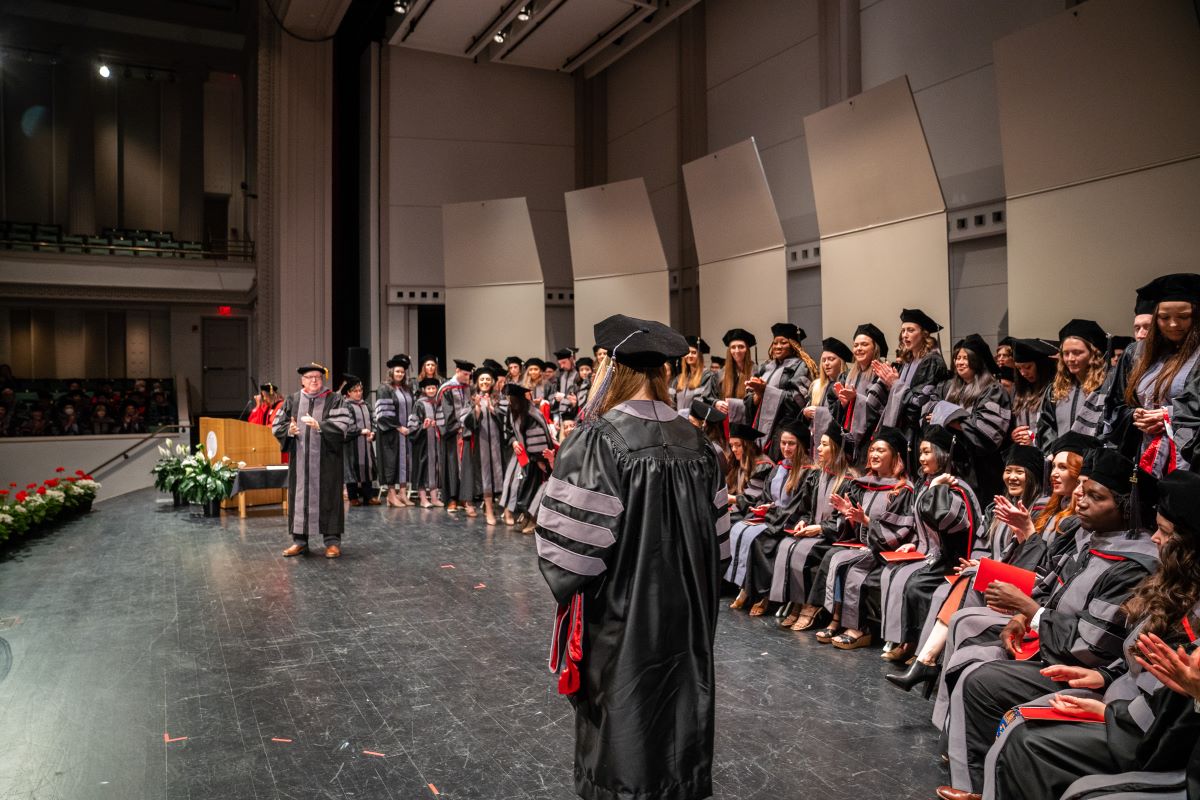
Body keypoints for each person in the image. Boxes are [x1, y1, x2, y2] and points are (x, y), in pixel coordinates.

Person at [535, 313, 726, 800]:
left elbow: (566, 553)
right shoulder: (701, 444)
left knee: (627, 717)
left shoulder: (598, 439)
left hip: (624, 618)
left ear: (611, 368)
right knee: (681, 706)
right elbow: (719, 545)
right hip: (689, 620)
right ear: (663, 371)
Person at [937, 449, 1159, 797]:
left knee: (979, 678)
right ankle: (965, 765)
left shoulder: (1134, 564)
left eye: (1095, 497)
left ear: (1127, 509)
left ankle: (978, 784)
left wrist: (1029, 609)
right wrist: (1024, 617)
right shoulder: (1093, 541)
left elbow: (1089, 648)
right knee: (969, 650)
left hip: (1081, 667)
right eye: (1082, 491)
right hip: (1057, 647)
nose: (1080, 501)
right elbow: (1049, 587)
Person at [978, 468, 1200, 800]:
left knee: (1028, 739)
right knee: (991, 683)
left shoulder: (1181, 605)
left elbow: (1169, 701)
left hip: (1140, 729)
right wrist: (1102, 676)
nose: (1155, 538)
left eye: (1164, 533)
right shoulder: (1173, 587)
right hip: (1116, 696)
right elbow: (1139, 660)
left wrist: (1110, 712)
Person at [886, 444, 1046, 695]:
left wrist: (990, 564)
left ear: (1034, 475)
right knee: (953, 582)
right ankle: (925, 662)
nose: (1012, 477)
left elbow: (1036, 561)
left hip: (1023, 587)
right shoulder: (999, 507)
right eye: (1008, 471)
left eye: (1020, 472)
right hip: (998, 577)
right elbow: (985, 546)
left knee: (956, 587)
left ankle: (925, 663)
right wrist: (979, 563)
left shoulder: (1042, 513)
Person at [878, 425, 983, 665]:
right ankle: (906, 642)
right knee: (900, 576)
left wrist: (936, 489)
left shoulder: (957, 488)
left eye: (927, 452)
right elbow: (922, 527)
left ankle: (921, 650)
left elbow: (942, 519)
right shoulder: (928, 484)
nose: (921, 458)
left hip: (957, 561)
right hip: (935, 555)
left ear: (943, 454)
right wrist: (915, 544)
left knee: (917, 584)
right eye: (921, 452)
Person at [815, 426, 916, 650]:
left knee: (852, 569)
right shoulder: (863, 484)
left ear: (896, 457)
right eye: (872, 450)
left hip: (886, 551)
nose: (874, 455)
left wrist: (867, 522)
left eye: (881, 450)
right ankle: (836, 619)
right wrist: (848, 514)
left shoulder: (902, 490)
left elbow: (899, 532)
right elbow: (853, 526)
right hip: (865, 545)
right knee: (835, 559)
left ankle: (859, 628)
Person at [1106, 273, 1200, 473]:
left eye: (1183, 317)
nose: (1173, 324)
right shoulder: (1141, 354)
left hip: (1190, 462)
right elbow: (1117, 405)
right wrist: (1136, 415)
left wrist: (1169, 417)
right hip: (1146, 454)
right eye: (1164, 317)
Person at [772, 417, 856, 631]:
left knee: (803, 551)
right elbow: (806, 510)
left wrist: (820, 528)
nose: (818, 448)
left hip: (834, 537)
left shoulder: (850, 481)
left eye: (824, 445)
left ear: (836, 449)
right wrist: (802, 522)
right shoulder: (816, 476)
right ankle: (796, 602)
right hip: (814, 532)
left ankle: (810, 606)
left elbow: (847, 518)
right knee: (786, 545)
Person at [726, 420, 808, 615]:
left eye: (791, 444)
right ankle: (744, 588)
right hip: (773, 517)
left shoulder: (807, 473)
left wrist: (769, 513)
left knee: (758, 539)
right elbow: (766, 497)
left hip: (788, 522)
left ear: (802, 445)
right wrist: (764, 507)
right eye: (783, 443)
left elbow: (798, 507)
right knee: (739, 529)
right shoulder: (779, 468)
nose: (786, 448)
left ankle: (763, 595)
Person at [273, 363, 353, 558]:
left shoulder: (334, 399)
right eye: (309, 377)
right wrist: (289, 431)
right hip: (300, 462)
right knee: (300, 499)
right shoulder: (293, 400)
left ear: (322, 379)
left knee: (329, 498)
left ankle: (332, 542)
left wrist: (320, 426)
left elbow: (343, 425)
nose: (314, 380)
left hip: (327, 461)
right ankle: (300, 541)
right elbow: (277, 425)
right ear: (302, 381)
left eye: (317, 376)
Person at [925, 334, 1012, 499]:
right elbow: (930, 410)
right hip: (953, 463)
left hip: (982, 469)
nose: (960, 362)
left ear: (977, 361)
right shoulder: (949, 388)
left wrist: (951, 419)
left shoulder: (993, 390)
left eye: (965, 358)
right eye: (958, 358)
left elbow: (988, 432)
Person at [872, 308, 950, 471]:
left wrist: (895, 384)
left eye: (910, 330)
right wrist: (890, 384)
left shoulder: (931, 362)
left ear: (924, 334)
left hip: (918, 434)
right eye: (903, 331)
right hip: (903, 431)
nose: (905, 335)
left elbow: (918, 404)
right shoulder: (908, 361)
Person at [744, 322, 817, 459]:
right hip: (759, 426)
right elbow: (748, 400)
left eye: (783, 343)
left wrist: (766, 390)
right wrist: (758, 395)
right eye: (775, 343)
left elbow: (798, 401)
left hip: (783, 428)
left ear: (793, 345)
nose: (778, 346)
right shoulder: (766, 366)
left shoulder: (799, 366)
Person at [1035, 319, 1109, 451]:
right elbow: (1046, 429)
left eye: (1077, 352)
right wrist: (1055, 453)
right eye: (1066, 353)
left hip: (1091, 463)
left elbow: (1109, 431)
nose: (1070, 359)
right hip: (1059, 462)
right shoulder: (1055, 389)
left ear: (1094, 354)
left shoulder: (1106, 388)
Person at [831, 322, 890, 468]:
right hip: (849, 440)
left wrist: (855, 399)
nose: (858, 349)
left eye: (864, 344)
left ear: (874, 348)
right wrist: (844, 403)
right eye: (856, 345)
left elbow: (880, 409)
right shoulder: (849, 375)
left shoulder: (882, 373)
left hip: (871, 439)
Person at [504, 381, 556, 533]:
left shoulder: (531, 414)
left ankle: (534, 520)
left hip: (537, 460)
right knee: (525, 489)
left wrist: (540, 461)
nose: (508, 401)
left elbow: (538, 441)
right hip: (528, 460)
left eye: (510, 398)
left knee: (533, 490)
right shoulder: (517, 411)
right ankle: (526, 517)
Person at [437, 359, 477, 516]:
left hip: (464, 432)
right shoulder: (446, 388)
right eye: (465, 374)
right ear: (457, 371)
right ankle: (451, 498)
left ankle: (462, 496)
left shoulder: (467, 388)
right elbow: (445, 412)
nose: (467, 377)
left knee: (464, 465)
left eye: (469, 375)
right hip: (451, 433)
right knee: (452, 464)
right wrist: (457, 427)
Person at [375, 355, 415, 507]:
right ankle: (391, 495)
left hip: (406, 432)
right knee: (391, 463)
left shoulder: (406, 389)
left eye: (402, 372)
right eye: (397, 371)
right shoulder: (384, 388)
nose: (400, 374)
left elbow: (412, 409)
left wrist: (410, 426)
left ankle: (403, 494)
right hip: (390, 434)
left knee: (405, 461)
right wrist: (399, 427)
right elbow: (383, 414)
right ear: (391, 372)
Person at [470, 366, 506, 525]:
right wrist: (477, 408)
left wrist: (493, 409)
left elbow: (506, 419)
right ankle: (489, 510)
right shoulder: (472, 398)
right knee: (485, 475)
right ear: (478, 382)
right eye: (482, 379)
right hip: (481, 443)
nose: (485, 382)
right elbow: (467, 422)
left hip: (499, 444)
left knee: (502, 474)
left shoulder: (499, 398)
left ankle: (506, 511)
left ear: (492, 382)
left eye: (487, 379)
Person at [1008, 339, 1057, 448]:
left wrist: (1034, 439)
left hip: (1046, 452)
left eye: (1028, 367)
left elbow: (1056, 428)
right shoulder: (1018, 389)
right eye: (1019, 368)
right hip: (1022, 453)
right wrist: (1014, 435)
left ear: (1041, 365)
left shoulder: (1053, 389)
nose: (1023, 373)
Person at [340, 375, 378, 506]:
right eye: (355, 391)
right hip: (352, 444)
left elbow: (374, 420)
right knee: (352, 469)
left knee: (367, 468)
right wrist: (360, 431)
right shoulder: (345, 406)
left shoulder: (366, 405)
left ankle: (369, 496)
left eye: (360, 390)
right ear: (348, 393)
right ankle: (353, 497)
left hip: (366, 443)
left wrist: (373, 432)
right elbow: (346, 424)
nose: (358, 393)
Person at [726, 421, 774, 522]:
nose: (734, 449)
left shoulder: (762, 465)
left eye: (738, 445)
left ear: (748, 446)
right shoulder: (738, 462)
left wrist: (732, 499)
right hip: (741, 510)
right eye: (731, 445)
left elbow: (754, 499)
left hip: (755, 513)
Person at [409, 377, 442, 507]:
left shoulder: (438, 403)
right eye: (428, 388)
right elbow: (412, 424)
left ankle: (434, 498)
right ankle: (423, 499)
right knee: (422, 468)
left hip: (435, 443)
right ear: (424, 389)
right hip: (422, 442)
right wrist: (423, 426)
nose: (431, 390)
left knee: (435, 468)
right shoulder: (419, 404)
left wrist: (437, 424)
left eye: (433, 388)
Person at [712, 328, 757, 422]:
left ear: (747, 350)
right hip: (724, 422)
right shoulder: (721, 374)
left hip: (747, 422)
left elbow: (756, 401)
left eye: (741, 347)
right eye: (733, 347)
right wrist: (716, 403)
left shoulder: (756, 371)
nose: (737, 351)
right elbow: (710, 396)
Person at [672, 336, 717, 416]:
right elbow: (672, 401)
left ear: (699, 356)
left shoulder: (707, 376)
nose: (690, 355)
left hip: (696, 421)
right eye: (688, 352)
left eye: (694, 352)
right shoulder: (679, 378)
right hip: (679, 422)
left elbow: (704, 401)